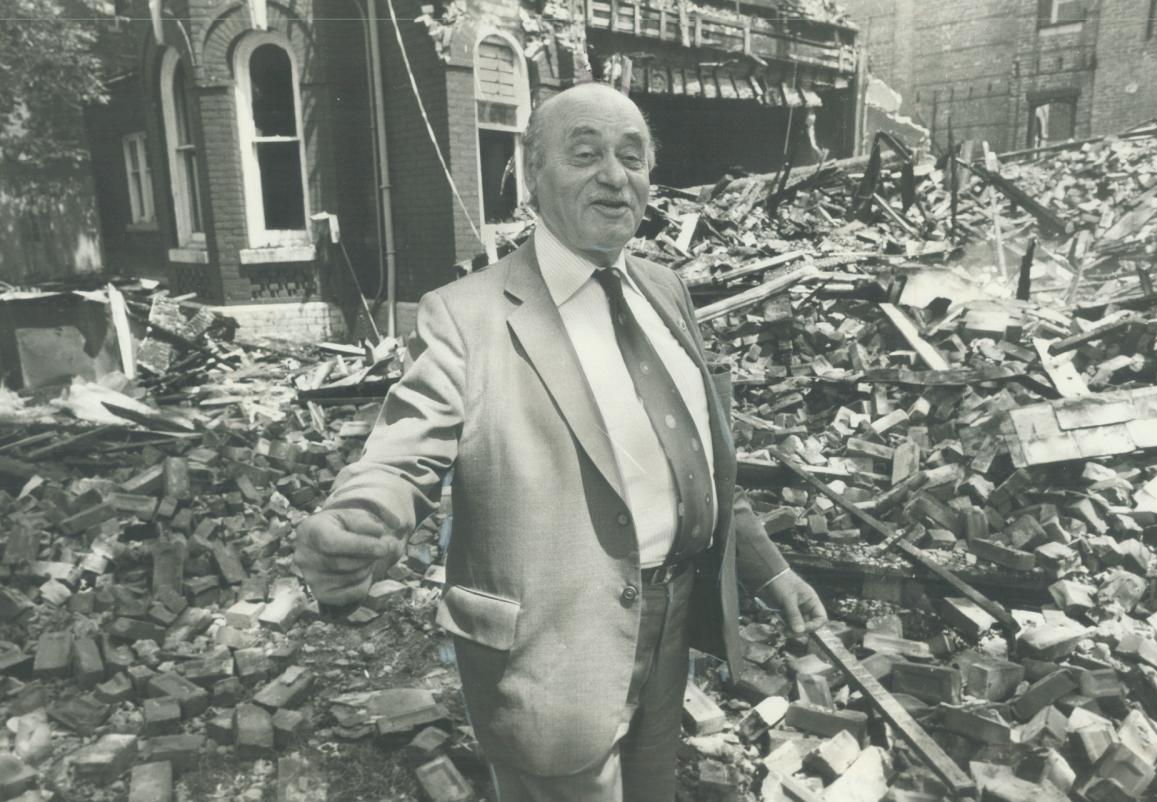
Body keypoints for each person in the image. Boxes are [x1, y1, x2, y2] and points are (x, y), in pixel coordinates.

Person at [295, 81, 827, 801]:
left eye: (632, 157)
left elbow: (697, 462)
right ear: (530, 179)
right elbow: (404, 449)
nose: (616, 175)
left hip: (671, 625)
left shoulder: (666, 290)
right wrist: (359, 519)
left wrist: (771, 571)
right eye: (586, 155)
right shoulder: (467, 316)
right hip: (551, 654)